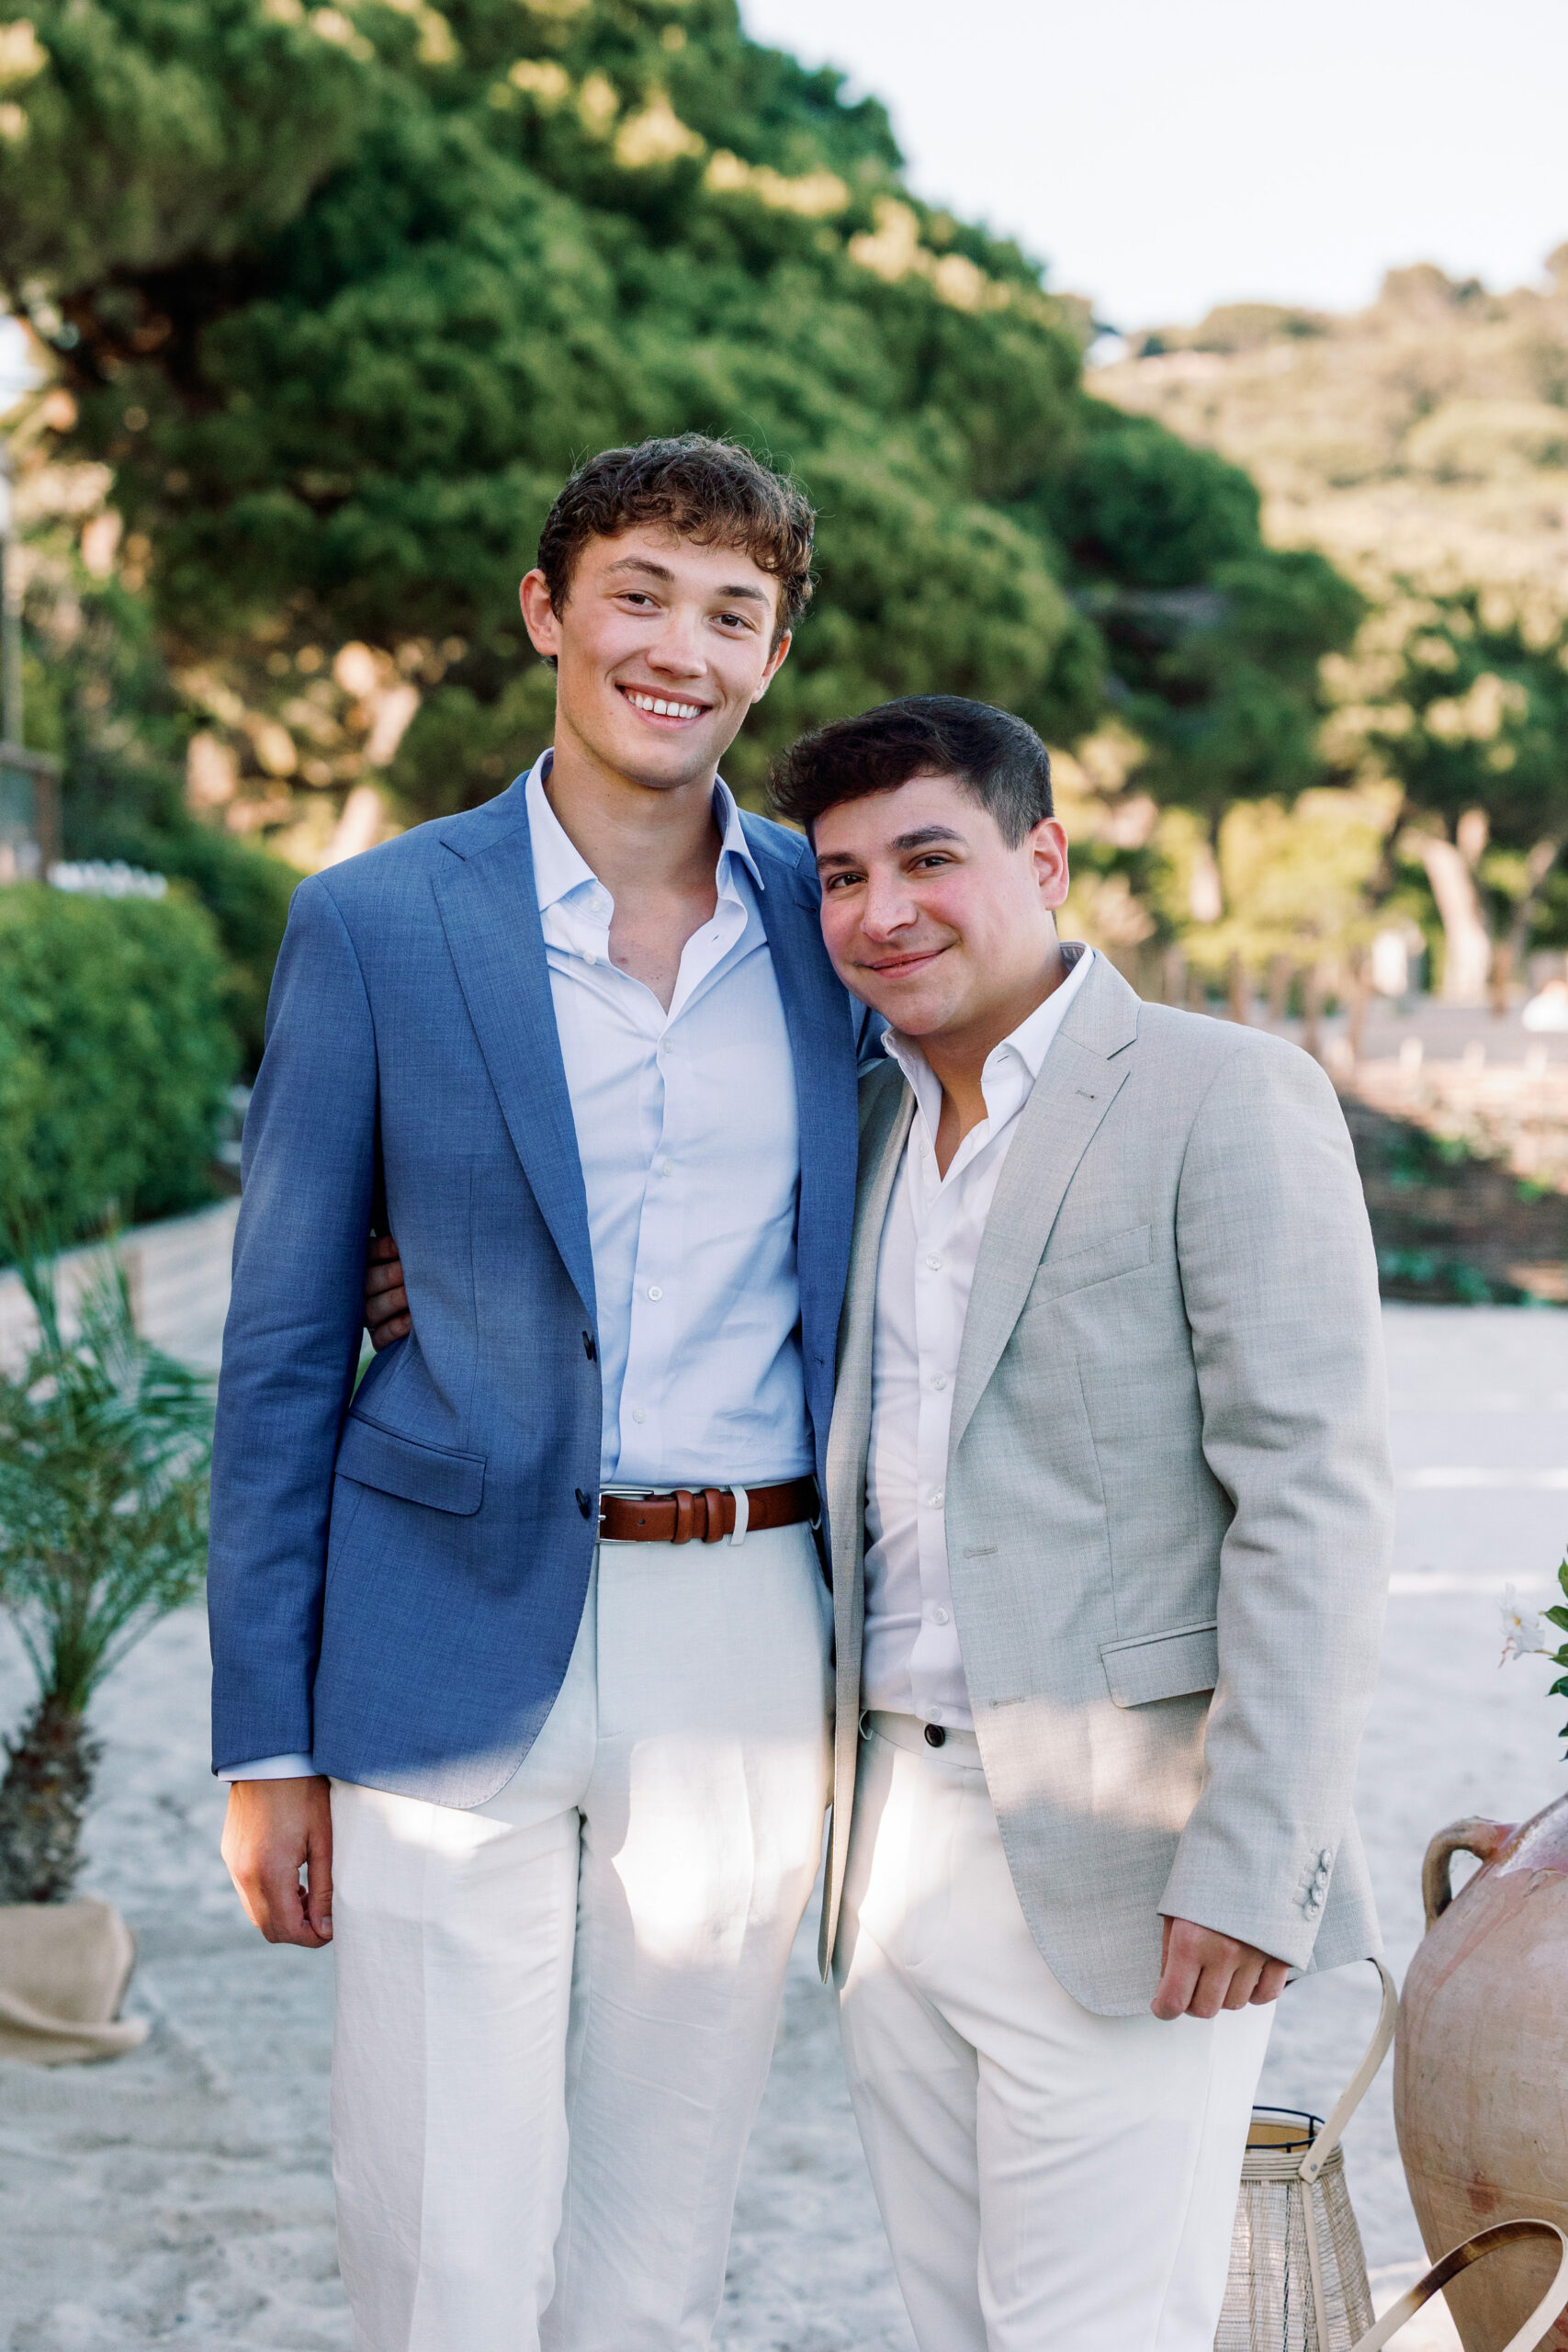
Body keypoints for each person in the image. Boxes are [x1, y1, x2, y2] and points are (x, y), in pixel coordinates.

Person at [209, 435, 879, 2352]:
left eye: (731, 614)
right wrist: (266, 1737)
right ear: (547, 613)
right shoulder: (375, 919)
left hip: (744, 1623)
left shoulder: (835, 923)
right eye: (638, 595)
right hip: (437, 1622)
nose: (680, 648)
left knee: (662, 2234)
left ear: (772, 656)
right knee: (440, 2224)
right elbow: (279, 1350)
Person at [762, 695, 1394, 2352]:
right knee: (952, 2323)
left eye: (928, 859)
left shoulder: (1223, 1092)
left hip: (1134, 1866)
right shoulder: (859, 1125)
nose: (882, 912)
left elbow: (1313, 1499)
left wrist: (1256, 1860)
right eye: (842, 878)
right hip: (884, 1844)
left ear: (1043, 857)